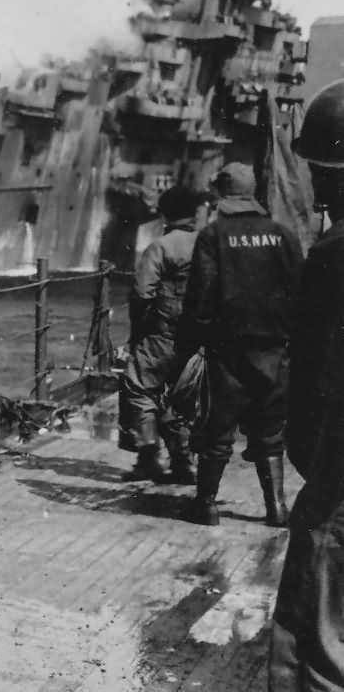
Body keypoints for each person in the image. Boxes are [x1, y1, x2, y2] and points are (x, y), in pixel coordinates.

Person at [270, 78, 344, 692]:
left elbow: (313, 392)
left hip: (339, 486)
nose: (319, 185)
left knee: (306, 647)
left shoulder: (332, 255)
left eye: (327, 170)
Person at [178, 161, 302, 526]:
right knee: (269, 431)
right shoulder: (283, 234)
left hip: (228, 351)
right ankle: (276, 507)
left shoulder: (213, 236)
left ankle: (207, 505)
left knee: (217, 430)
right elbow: (301, 292)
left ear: (222, 193)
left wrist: (191, 342)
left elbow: (201, 298)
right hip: (276, 350)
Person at [118, 185, 203, 483]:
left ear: (165, 213)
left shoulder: (162, 246)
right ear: (195, 212)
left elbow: (142, 292)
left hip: (161, 334)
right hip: (197, 338)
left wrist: (137, 329)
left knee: (139, 388)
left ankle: (148, 457)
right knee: (184, 396)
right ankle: (183, 462)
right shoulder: (208, 243)